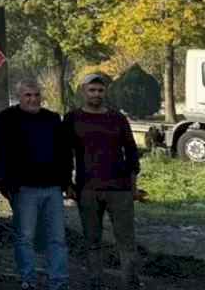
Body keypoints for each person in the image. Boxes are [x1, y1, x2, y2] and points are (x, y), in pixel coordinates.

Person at [64, 73, 143, 290]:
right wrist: (67, 184)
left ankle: (131, 283)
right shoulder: (72, 119)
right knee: (92, 242)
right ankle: (96, 283)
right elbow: (64, 153)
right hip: (87, 189)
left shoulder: (117, 118)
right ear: (83, 91)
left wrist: (133, 184)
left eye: (100, 90)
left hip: (119, 189)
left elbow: (132, 151)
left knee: (126, 241)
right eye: (92, 90)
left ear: (105, 92)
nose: (96, 94)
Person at [0, 79, 73, 290]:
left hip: (52, 188)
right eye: (28, 95)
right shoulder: (6, 119)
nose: (33, 99)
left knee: (57, 237)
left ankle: (58, 280)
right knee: (25, 237)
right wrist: (5, 184)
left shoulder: (52, 119)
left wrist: (66, 182)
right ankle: (28, 278)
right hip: (24, 189)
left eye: (36, 94)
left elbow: (65, 153)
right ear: (19, 96)